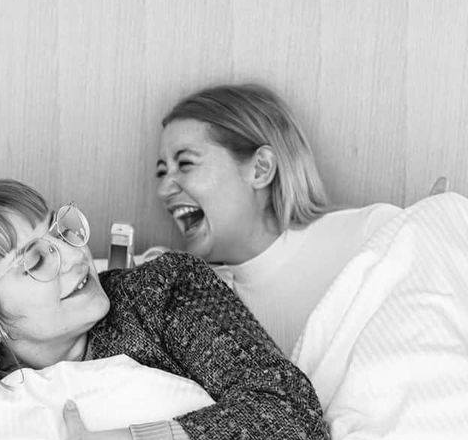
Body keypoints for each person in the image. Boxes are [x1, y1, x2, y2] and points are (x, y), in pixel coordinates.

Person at [0, 180, 331, 440]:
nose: (75, 256)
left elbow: (294, 422)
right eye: (35, 259)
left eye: (60, 232)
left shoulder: (162, 292)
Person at [156, 82, 401, 355]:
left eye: (185, 164)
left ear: (260, 168)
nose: (163, 190)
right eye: (162, 172)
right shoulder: (196, 302)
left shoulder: (375, 237)